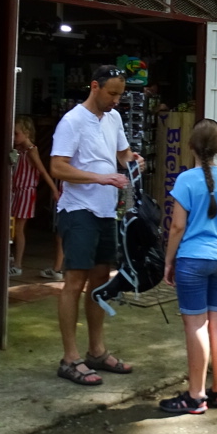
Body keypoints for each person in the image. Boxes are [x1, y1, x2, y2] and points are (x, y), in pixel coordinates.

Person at [48, 64, 143, 385]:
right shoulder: (72, 121)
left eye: (120, 94)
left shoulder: (113, 118)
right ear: (94, 86)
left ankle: (96, 351)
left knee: (101, 281)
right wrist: (100, 177)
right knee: (74, 281)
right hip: (78, 210)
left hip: (105, 212)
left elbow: (124, 155)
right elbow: (58, 167)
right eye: (111, 93)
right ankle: (69, 358)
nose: (116, 100)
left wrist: (135, 161)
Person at [158, 119, 217, 415]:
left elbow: (177, 226)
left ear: (190, 147)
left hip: (193, 259)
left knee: (196, 324)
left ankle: (195, 396)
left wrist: (168, 261)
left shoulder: (186, 180)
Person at [10, 116, 59, 276]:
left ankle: (17, 265)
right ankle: (12, 258)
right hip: (17, 190)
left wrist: (53, 190)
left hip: (26, 191)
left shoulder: (31, 151)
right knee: (13, 226)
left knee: (19, 228)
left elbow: (42, 171)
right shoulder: (19, 150)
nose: (14, 137)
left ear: (26, 132)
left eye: (16, 134)